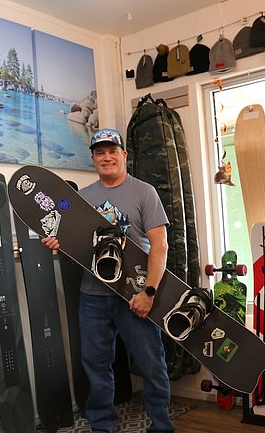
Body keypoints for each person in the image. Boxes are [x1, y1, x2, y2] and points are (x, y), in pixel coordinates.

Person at [42, 128, 174, 433]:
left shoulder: (144, 192)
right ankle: (103, 426)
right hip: (92, 296)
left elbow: (160, 246)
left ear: (124, 155)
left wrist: (149, 292)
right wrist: (56, 243)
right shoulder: (83, 198)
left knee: (152, 366)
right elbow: (73, 241)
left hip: (134, 296)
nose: (107, 157)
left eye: (112, 151)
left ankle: (162, 427)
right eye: (100, 153)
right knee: (96, 368)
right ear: (93, 159)